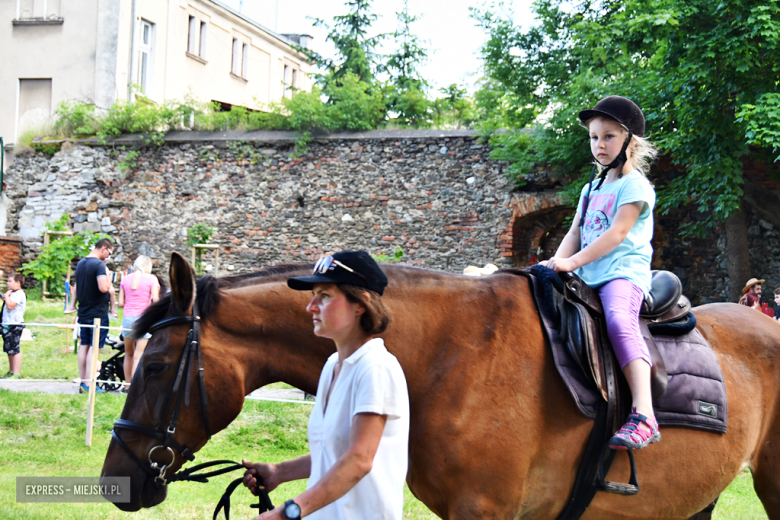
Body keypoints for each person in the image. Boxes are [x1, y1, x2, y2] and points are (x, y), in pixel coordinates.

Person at [242, 251, 409, 520]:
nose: (311, 307)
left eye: (325, 296)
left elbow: (359, 460)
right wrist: (279, 472)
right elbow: (333, 453)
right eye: (314, 295)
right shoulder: (333, 365)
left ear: (360, 304)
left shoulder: (376, 367)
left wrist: (288, 513)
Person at [540, 96, 661, 450]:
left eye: (609, 136)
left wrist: (571, 263)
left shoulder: (634, 186)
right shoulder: (591, 188)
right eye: (594, 137)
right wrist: (551, 265)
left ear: (629, 141)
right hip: (587, 274)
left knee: (619, 322)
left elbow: (617, 233)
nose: (600, 144)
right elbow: (576, 232)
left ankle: (644, 414)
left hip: (622, 272)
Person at [73, 238, 115, 394]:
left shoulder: (81, 264)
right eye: (109, 253)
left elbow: (76, 287)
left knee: (84, 344)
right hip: (97, 313)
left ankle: (84, 382)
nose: (108, 257)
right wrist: (109, 280)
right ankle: (90, 383)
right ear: (104, 248)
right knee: (94, 347)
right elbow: (103, 288)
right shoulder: (98, 265)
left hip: (83, 312)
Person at [118, 255, 160, 385]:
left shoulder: (125, 279)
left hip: (127, 319)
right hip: (143, 320)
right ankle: (135, 387)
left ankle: (127, 384)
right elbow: (156, 300)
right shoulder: (152, 279)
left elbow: (120, 303)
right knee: (138, 355)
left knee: (128, 353)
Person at [1, 273, 27, 379]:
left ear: (18, 283)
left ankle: (16, 373)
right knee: (9, 349)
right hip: (8, 324)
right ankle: (11, 371)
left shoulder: (19, 294)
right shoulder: (13, 293)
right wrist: (6, 297)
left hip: (15, 325)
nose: (8, 283)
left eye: (10, 281)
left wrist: (7, 296)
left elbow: (10, 306)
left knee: (15, 349)